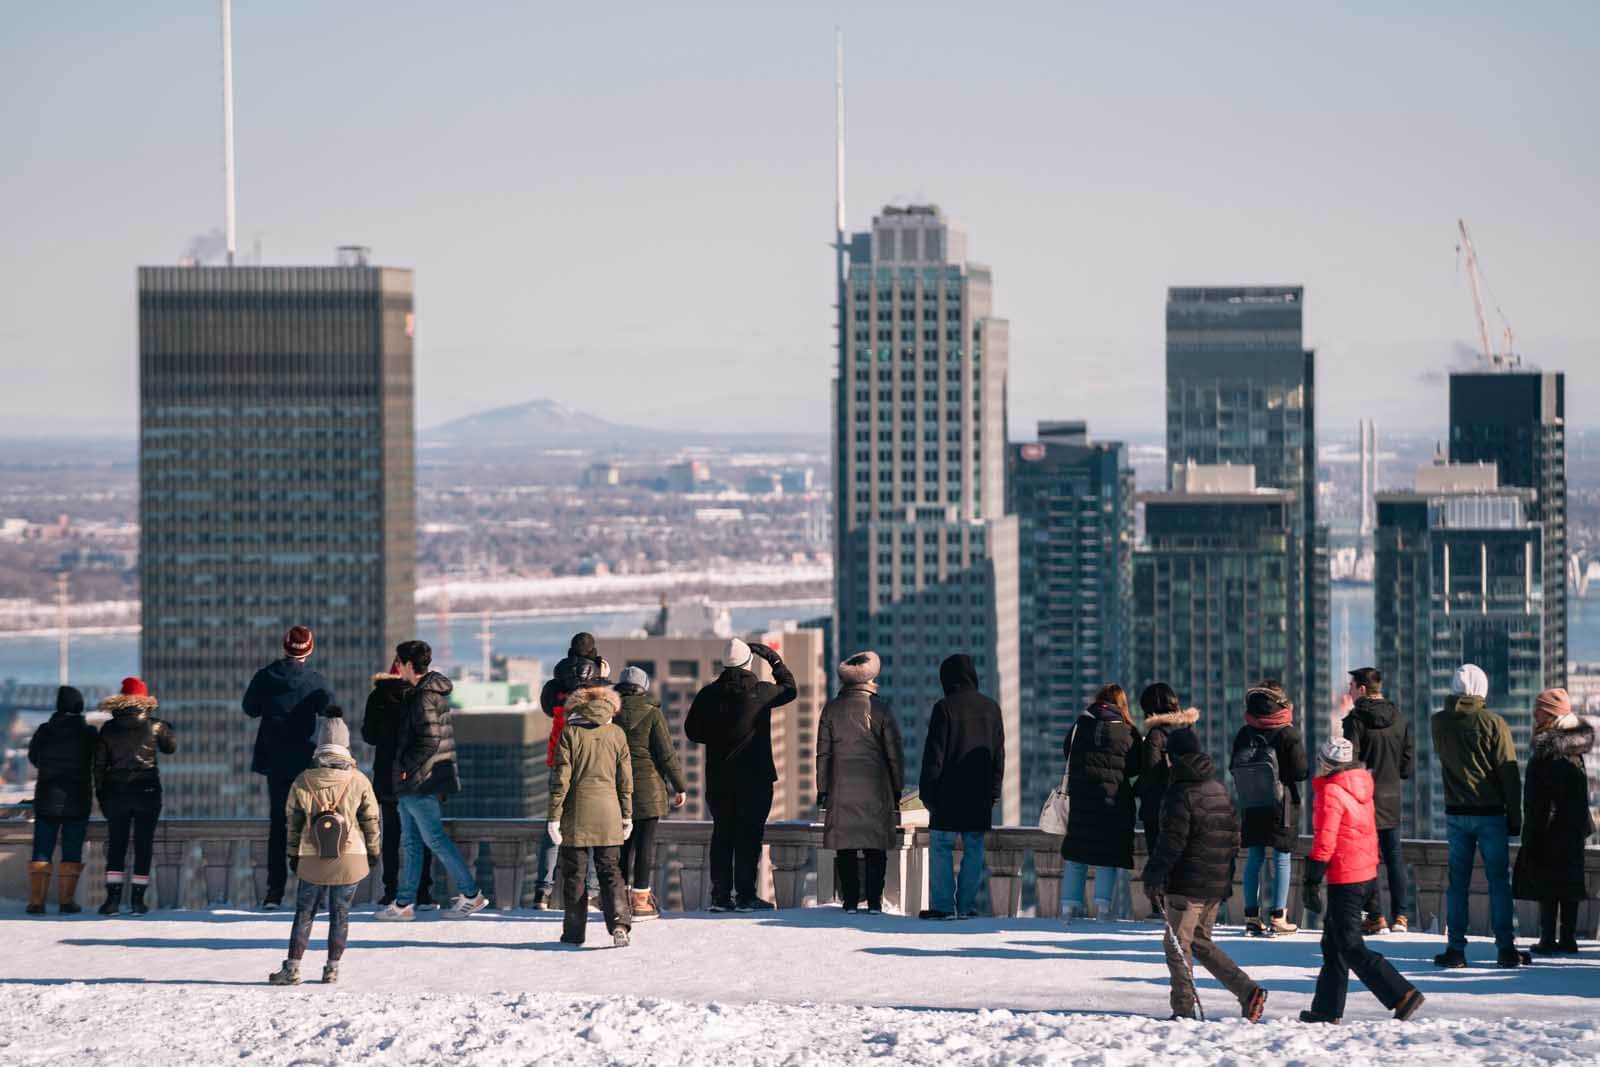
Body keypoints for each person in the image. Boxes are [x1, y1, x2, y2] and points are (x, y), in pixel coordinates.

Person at [1142, 728, 1266, 1023]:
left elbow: (1172, 841)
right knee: (1198, 942)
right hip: (1215, 883)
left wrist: (1153, 875)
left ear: (1173, 758)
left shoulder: (1180, 793)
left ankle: (1183, 1010)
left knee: (1176, 945)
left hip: (1188, 883)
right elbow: (1234, 837)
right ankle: (1247, 991)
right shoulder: (1218, 787)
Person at [1299, 736, 1425, 1024]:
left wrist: (1311, 879)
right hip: (1364, 872)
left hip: (1346, 876)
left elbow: (1325, 841)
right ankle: (1326, 1009)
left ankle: (1401, 993)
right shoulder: (1361, 786)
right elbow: (1367, 835)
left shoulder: (1331, 791)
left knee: (1350, 945)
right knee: (1333, 945)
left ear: (1326, 764)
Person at [375, 640, 488, 921]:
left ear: (410, 665)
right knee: (412, 842)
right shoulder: (427, 692)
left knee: (433, 839)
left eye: (400, 662)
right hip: (418, 779)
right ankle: (403, 904)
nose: (397, 667)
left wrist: (405, 768)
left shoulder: (423, 696)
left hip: (419, 780)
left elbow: (429, 738)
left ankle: (471, 894)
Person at [268, 709, 381, 986]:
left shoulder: (302, 780)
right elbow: (371, 820)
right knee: (341, 912)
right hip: (351, 856)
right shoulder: (359, 780)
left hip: (312, 855)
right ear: (346, 746)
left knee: (305, 911)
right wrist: (373, 850)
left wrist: (293, 854)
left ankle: (292, 969)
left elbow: (292, 824)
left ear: (319, 746)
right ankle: (332, 970)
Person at [684, 637, 797, 911]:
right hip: (756, 778)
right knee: (749, 836)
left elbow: (692, 732)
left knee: (722, 834)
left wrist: (719, 736)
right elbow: (790, 690)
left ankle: (720, 895)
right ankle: (746, 894)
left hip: (719, 778)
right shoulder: (761, 692)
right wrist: (774, 659)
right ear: (749, 662)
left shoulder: (708, 694)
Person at [1431, 663, 1522, 969]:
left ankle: (1455, 949)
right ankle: (1506, 948)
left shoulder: (1439, 722)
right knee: (1498, 881)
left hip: (1456, 812)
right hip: (1491, 813)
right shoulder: (1493, 722)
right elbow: (1508, 773)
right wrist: (1515, 814)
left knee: (1458, 883)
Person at [242, 625, 335, 909]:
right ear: (309, 650)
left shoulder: (265, 676)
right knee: (310, 825)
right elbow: (331, 710)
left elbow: (250, 709)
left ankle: (274, 893)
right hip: (306, 762)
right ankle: (310, 891)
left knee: (278, 826)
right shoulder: (315, 681)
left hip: (274, 761)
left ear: (284, 647)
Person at [917, 654, 1005, 920]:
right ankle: (966, 906)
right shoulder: (991, 708)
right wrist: (994, 790)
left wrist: (927, 793)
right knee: (974, 847)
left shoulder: (944, 708)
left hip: (947, 794)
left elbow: (934, 756)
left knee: (942, 846)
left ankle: (943, 906)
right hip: (979, 794)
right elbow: (999, 755)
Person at [816, 652, 905, 914]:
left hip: (841, 788)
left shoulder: (832, 708)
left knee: (845, 846)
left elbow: (823, 755)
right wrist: (897, 786)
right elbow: (894, 753)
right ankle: (875, 901)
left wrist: (822, 788)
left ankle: (851, 900)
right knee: (875, 846)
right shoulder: (881, 708)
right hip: (876, 786)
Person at [548, 681, 634, 947]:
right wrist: (627, 814)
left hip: (576, 813)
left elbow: (561, 780)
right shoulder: (616, 733)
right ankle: (619, 924)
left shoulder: (570, 734)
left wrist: (554, 817)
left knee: (575, 875)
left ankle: (574, 934)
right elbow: (625, 779)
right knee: (610, 871)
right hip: (609, 812)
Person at [1512, 687, 1594, 955]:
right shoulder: (1572, 746)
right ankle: (1567, 938)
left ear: (1549, 715)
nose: (1534, 716)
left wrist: (1534, 833)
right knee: (1568, 882)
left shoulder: (1550, 749)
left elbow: (1541, 800)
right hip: (1573, 828)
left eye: (1538, 711)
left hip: (1551, 829)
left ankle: (1548, 938)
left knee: (1548, 884)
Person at [1230, 680, 1308, 936]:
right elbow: (1299, 772)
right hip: (1281, 802)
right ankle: (1278, 917)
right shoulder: (1287, 733)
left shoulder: (1245, 731)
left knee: (1254, 858)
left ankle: (1251, 917)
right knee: (1281, 858)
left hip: (1252, 802)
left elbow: (1234, 767)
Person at [94, 677, 176, 915]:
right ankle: (138, 900)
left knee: (116, 845)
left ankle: (112, 900)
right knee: (143, 845)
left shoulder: (108, 728)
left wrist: (101, 795)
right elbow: (170, 748)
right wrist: (167, 728)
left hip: (116, 792)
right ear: (145, 700)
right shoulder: (155, 725)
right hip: (147, 790)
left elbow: (98, 766)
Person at [1341, 667, 1414, 934]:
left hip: (1362, 799)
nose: (1348, 691)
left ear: (1361, 689)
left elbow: (1349, 763)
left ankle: (1375, 916)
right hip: (1391, 797)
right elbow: (1407, 768)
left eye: (1351, 686)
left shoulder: (1354, 721)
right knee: (1394, 858)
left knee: (1367, 859)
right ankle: (1401, 917)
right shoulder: (1399, 719)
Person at [534, 635, 604, 910]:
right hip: (590, 762)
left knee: (553, 825)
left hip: (559, 760)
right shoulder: (597, 685)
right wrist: (601, 676)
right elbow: (608, 711)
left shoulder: (554, 686)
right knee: (594, 826)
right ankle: (592, 890)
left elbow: (548, 710)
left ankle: (542, 892)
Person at [613, 665, 687, 921]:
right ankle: (641, 901)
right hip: (649, 790)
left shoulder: (610, 713)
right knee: (645, 845)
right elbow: (666, 754)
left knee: (622, 846)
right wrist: (680, 786)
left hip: (616, 789)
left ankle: (618, 901)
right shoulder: (653, 714)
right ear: (643, 688)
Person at [1061, 684, 1140, 920]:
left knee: (1077, 853)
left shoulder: (1081, 724)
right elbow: (1136, 765)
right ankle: (1103, 909)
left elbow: (1068, 752)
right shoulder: (1127, 731)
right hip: (1112, 802)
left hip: (1082, 799)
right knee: (1107, 854)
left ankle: (1069, 908)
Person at [360, 663, 432, 908]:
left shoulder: (377, 697)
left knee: (390, 835)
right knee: (421, 834)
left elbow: (368, 736)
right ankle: (423, 892)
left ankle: (390, 889)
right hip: (414, 775)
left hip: (386, 775)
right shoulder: (419, 697)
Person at [26, 686, 96, 915]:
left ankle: (37, 902)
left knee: (42, 849)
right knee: (72, 849)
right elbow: (97, 760)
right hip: (77, 799)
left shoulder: (44, 730)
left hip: (47, 797)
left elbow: (34, 757)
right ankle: (67, 901)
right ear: (79, 706)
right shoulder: (88, 733)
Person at [1133, 683, 1198, 854]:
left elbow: (1150, 774)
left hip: (1158, 811)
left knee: (1159, 865)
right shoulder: (1188, 731)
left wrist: (1133, 790)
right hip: (1185, 808)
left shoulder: (1155, 736)